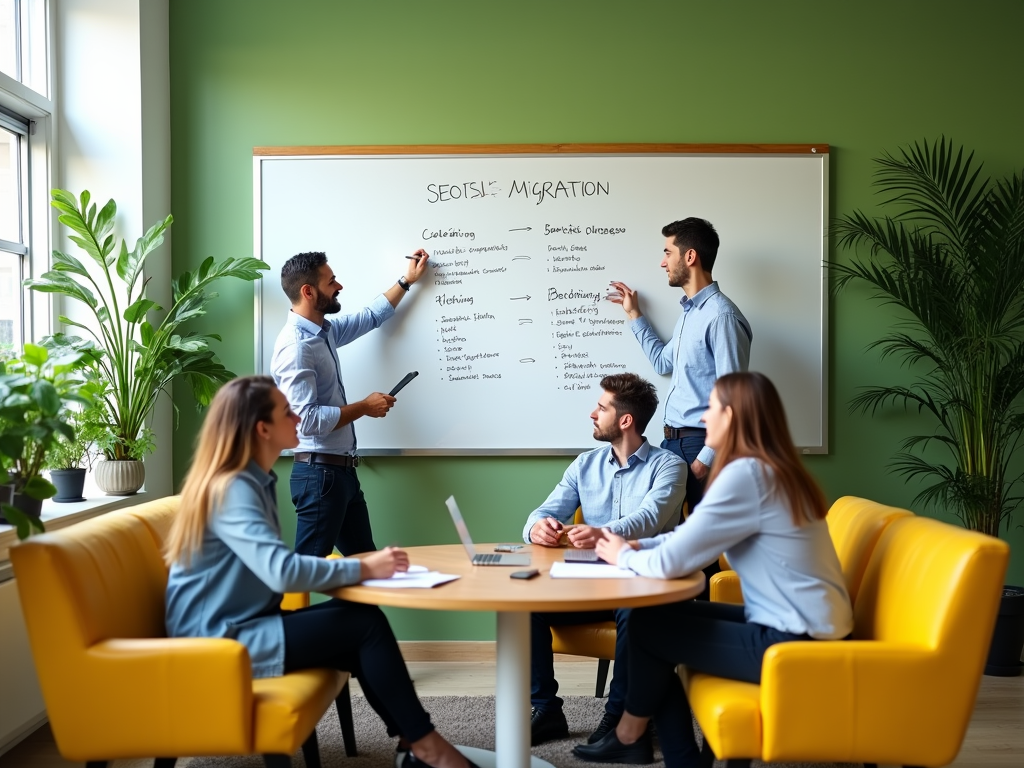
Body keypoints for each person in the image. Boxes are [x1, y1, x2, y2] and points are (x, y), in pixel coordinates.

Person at [164, 376, 477, 768]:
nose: (298, 418)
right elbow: (280, 572)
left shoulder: (251, 481)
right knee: (365, 626)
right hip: (219, 642)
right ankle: (427, 749)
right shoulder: (234, 488)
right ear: (263, 429)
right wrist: (361, 565)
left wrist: (360, 568)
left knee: (363, 621)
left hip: (242, 626)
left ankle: (414, 746)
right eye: (287, 412)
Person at [572, 372, 853, 767]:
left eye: (712, 408)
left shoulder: (747, 476)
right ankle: (634, 737)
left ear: (733, 416)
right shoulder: (770, 469)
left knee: (646, 628)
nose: (703, 419)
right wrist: (637, 545)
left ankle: (645, 742)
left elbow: (675, 561)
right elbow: (692, 538)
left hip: (795, 640)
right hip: (803, 625)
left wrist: (622, 556)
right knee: (647, 618)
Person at [522, 373, 686, 756]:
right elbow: (543, 512)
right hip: (589, 585)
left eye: (602, 407)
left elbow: (648, 520)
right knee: (523, 602)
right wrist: (537, 529)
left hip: (640, 585)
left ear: (625, 420)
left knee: (635, 612)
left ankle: (619, 716)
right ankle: (546, 708)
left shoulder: (669, 466)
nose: (592, 413)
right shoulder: (585, 464)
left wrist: (600, 533)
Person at [608, 218, 752, 591]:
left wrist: (706, 457)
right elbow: (663, 364)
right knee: (676, 541)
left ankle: (700, 637)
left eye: (667, 252)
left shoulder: (720, 316)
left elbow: (734, 395)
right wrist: (634, 315)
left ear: (690, 256)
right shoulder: (692, 314)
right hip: (673, 443)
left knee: (701, 552)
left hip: (701, 444)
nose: (662, 262)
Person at [271, 249, 429, 558]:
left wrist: (406, 281)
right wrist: (364, 407)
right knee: (305, 571)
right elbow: (307, 420)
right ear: (308, 291)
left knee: (366, 567)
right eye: (331, 281)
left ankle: (359, 610)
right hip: (320, 476)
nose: (339, 286)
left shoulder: (323, 333)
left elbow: (371, 316)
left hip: (340, 474)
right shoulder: (297, 347)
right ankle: (282, 610)